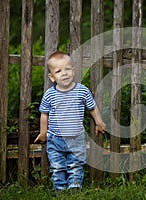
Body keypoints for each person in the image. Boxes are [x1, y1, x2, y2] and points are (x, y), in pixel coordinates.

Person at [34, 52, 106, 195]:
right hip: (55, 138)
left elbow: (92, 107)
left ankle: (74, 187)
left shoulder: (82, 91)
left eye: (67, 69)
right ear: (52, 77)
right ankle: (59, 189)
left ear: (73, 70)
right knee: (57, 166)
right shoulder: (50, 94)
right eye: (59, 71)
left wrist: (99, 122)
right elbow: (44, 114)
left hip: (76, 138)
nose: (65, 73)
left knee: (75, 164)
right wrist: (43, 133)